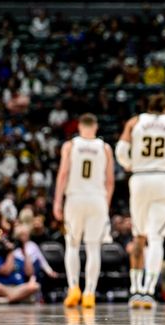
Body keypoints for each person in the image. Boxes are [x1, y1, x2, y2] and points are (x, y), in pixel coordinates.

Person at [115, 93, 165, 309]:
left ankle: (135, 290)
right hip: (164, 179)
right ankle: (149, 291)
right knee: (156, 238)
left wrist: (130, 164)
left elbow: (120, 151)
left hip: (139, 179)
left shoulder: (135, 121)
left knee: (139, 236)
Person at [53, 113, 115, 309]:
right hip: (97, 198)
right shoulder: (105, 148)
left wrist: (57, 201)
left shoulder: (70, 145)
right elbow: (110, 181)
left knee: (72, 245)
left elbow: (63, 174)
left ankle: (73, 289)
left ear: (79, 127)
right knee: (93, 248)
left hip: (75, 198)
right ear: (95, 127)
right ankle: (89, 293)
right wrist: (105, 203)